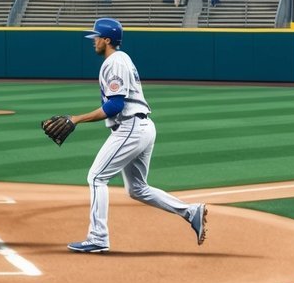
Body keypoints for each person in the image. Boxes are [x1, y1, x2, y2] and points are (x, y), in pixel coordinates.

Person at [55, 18, 208, 253]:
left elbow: (115, 105)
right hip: (141, 127)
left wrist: (76, 119)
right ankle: (190, 211)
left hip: (130, 127)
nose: (93, 41)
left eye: (96, 37)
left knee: (96, 178)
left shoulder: (114, 62)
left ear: (107, 40)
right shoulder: (120, 59)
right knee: (137, 188)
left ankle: (98, 237)